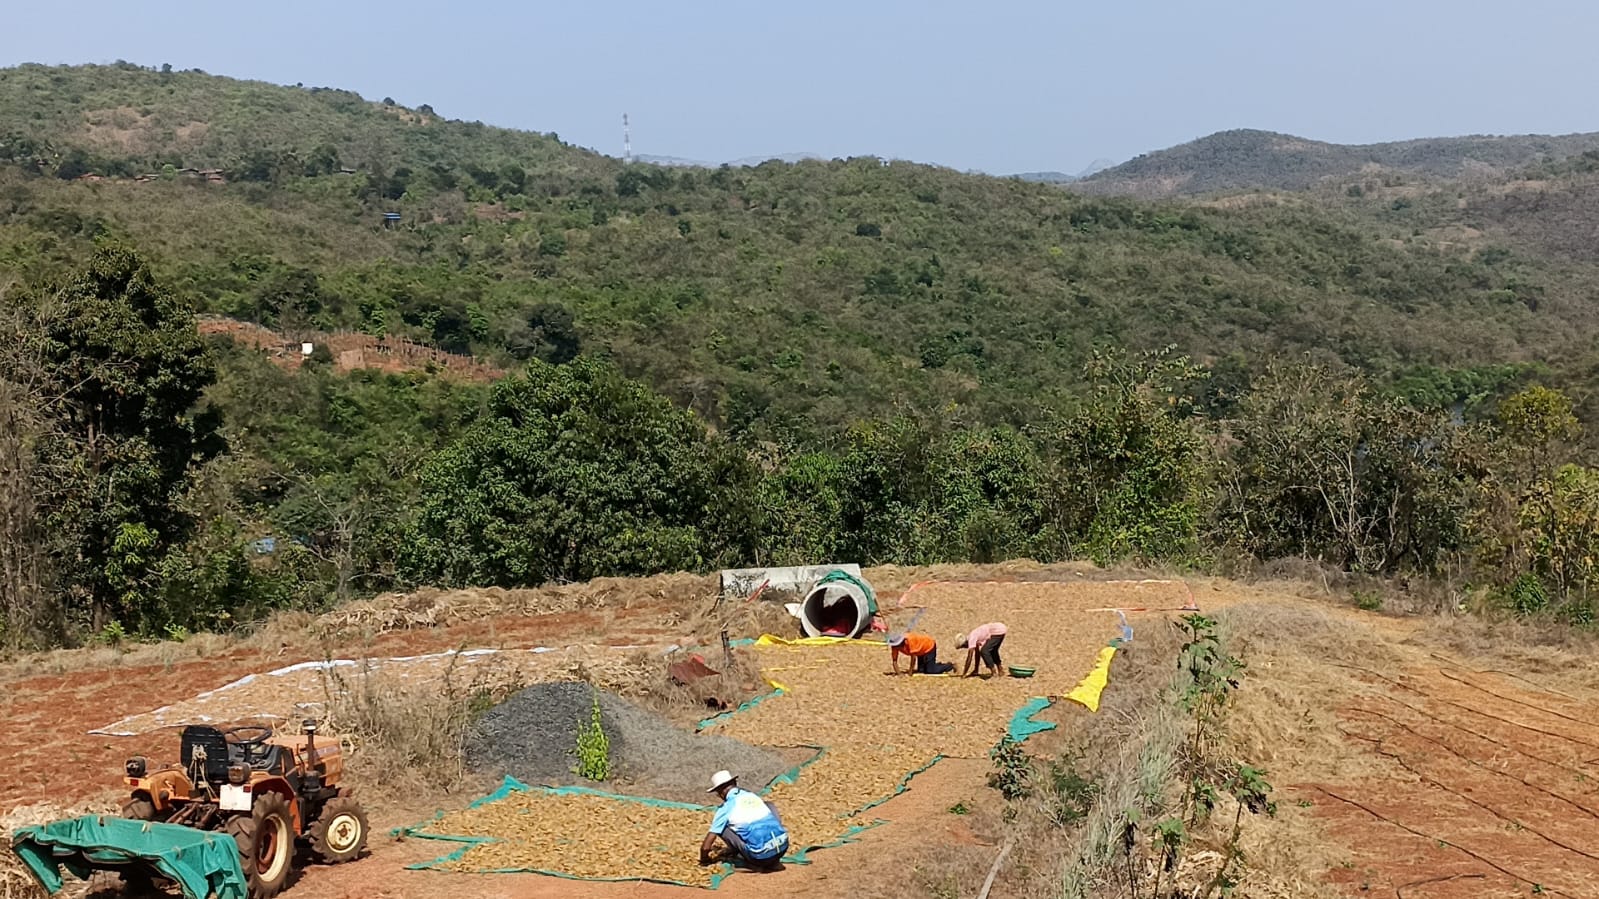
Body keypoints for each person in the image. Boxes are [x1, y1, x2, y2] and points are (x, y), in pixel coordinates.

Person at [699, 770, 789, 870]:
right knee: (768, 806)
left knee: (722, 827)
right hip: (783, 848)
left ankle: (746, 857)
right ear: (735, 783)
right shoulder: (751, 795)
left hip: (760, 857)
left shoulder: (726, 808)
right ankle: (775, 842)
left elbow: (706, 847)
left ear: (721, 792)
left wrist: (704, 860)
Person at [887, 632, 952, 675]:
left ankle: (949, 666)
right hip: (919, 651)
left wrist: (910, 671)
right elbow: (894, 661)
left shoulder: (910, 640)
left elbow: (913, 657)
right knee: (921, 670)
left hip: (929, 647)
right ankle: (933, 664)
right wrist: (899, 673)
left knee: (931, 671)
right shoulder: (895, 646)